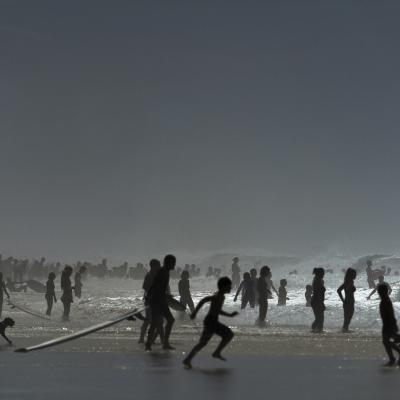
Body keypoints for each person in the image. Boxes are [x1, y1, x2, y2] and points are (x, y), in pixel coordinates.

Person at [182, 277, 238, 369]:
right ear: (223, 287)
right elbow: (203, 300)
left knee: (203, 343)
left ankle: (188, 359)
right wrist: (194, 313)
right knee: (228, 334)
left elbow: (217, 310)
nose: (230, 288)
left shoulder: (221, 297)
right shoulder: (217, 296)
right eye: (229, 286)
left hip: (212, 321)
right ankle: (216, 353)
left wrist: (229, 315)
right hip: (211, 322)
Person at [145, 254, 176, 351]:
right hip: (157, 301)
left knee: (166, 321)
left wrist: (166, 295)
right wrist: (165, 296)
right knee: (157, 322)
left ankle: (162, 343)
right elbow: (156, 288)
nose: (174, 265)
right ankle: (150, 344)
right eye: (173, 263)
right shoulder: (163, 272)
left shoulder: (164, 271)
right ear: (169, 263)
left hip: (160, 300)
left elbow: (155, 286)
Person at [139, 259, 163, 344]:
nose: (160, 267)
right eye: (158, 265)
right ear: (153, 266)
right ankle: (143, 338)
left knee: (156, 320)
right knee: (150, 319)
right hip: (150, 300)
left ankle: (150, 339)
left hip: (156, 300)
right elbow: (145, 287)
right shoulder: (149, 275)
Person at [378, 283, 400, 366]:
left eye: (380, 291)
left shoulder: (385, 300)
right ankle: (392, 357)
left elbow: (390, 313)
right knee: (389, 340)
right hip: (388, 323)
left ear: (384, 291)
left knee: (386, 341)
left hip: (388, 323)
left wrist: (392, 323)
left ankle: (393, 357)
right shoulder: (385, 299)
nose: (379, 292)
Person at [337, 268, 356, 333]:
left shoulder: (349, 282)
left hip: (349, 301)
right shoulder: (348, 282)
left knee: (348, 316)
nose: (355, 275)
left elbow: (339, 290)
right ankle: (345, 329)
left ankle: (345, 328)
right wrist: (343, 300)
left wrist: (343, 300)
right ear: (351, 275)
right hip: (348, 301)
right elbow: (338, 290)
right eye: (354, 274)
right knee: (348, 316)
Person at [311, 268, 326, 333]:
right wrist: (321, 303)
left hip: (316, 300)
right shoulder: (317, 281)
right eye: (323, 273)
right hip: (316, 301)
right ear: (319, 274)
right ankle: (318, 330)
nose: (324, 274)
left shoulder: (318, 280)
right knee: (320, 317)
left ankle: (316, 329)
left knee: (319, 317)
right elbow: (317, 293)